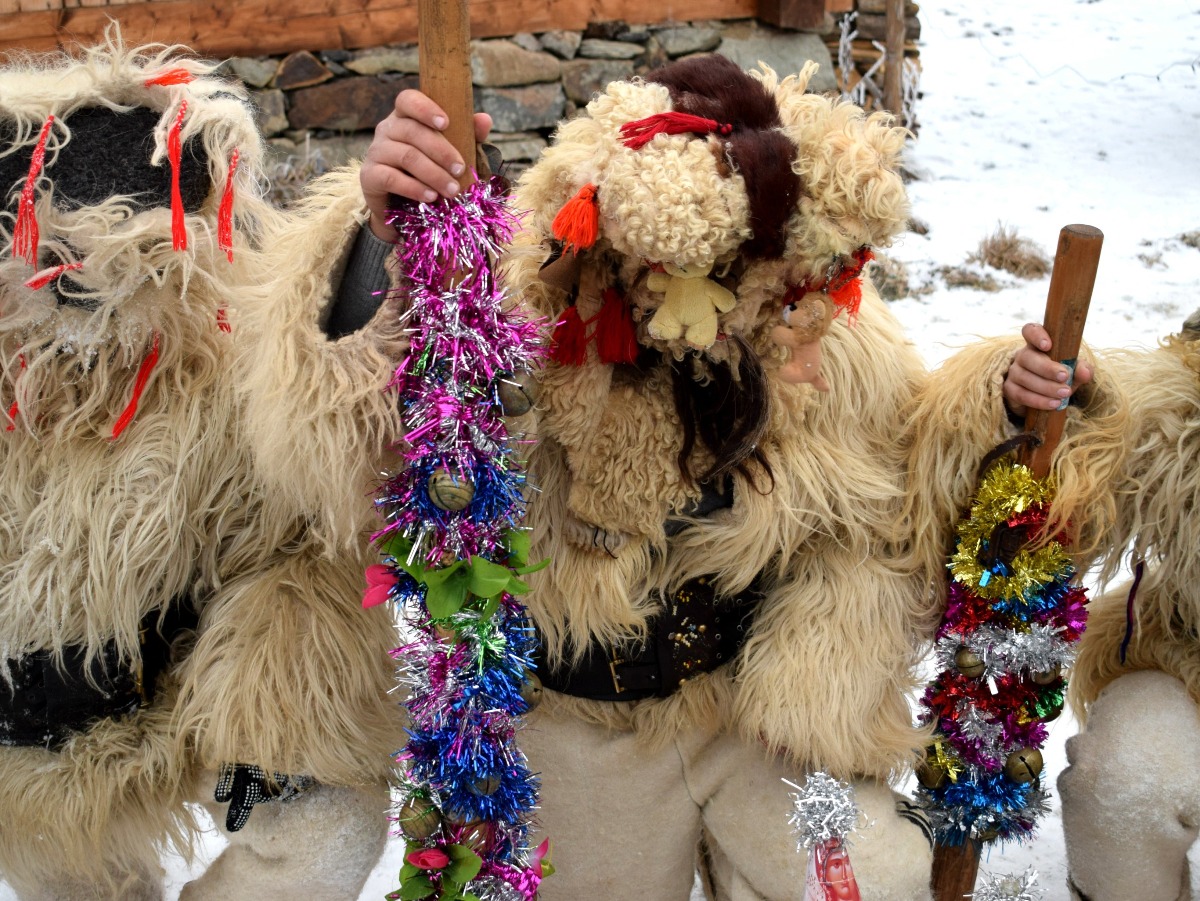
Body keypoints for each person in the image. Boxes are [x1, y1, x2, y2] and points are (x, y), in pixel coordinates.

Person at [272, 57, 1092, 899]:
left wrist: (1005, 399)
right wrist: (385, 241)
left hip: (757, 722)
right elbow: (359, 439)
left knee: (870, 885)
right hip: (580, 719)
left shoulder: (815, 324)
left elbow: (916, 470)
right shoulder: (515, 309)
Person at [0, 39, 400, 900]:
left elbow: (323, 400)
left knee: (319, 821)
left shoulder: (229, 354)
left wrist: (373, 240)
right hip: (28, 740)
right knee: (74, 877)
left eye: (130, 272)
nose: (84, 305)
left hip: (202, 710)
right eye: (53, 272)